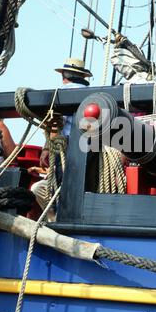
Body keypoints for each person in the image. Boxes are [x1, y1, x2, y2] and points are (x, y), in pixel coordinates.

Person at [30, 58, 92, 219]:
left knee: (60, 187)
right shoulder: (93, 94)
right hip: (90, 149)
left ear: (64, 75)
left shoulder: (61, 93)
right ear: (83, 76)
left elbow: (55, 122)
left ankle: (57, 220)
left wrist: (46, 149)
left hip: (65, 147)